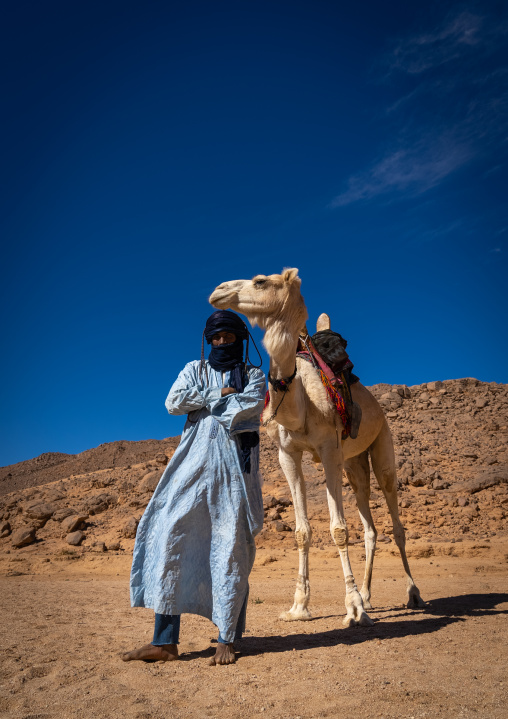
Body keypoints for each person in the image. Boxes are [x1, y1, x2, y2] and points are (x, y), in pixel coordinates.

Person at [122, 310, 265, 666]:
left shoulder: (255, 375)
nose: (220, 343)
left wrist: (207, 400)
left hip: (234, 473)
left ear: (239, 339)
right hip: (189, 469)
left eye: (227, 338)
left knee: (229, 549)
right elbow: (173, 403)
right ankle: (164, 642)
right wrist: (220, 391)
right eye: (215, 338)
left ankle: (226, 640)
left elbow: (244, 411)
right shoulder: (193, 369)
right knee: (171, 539)